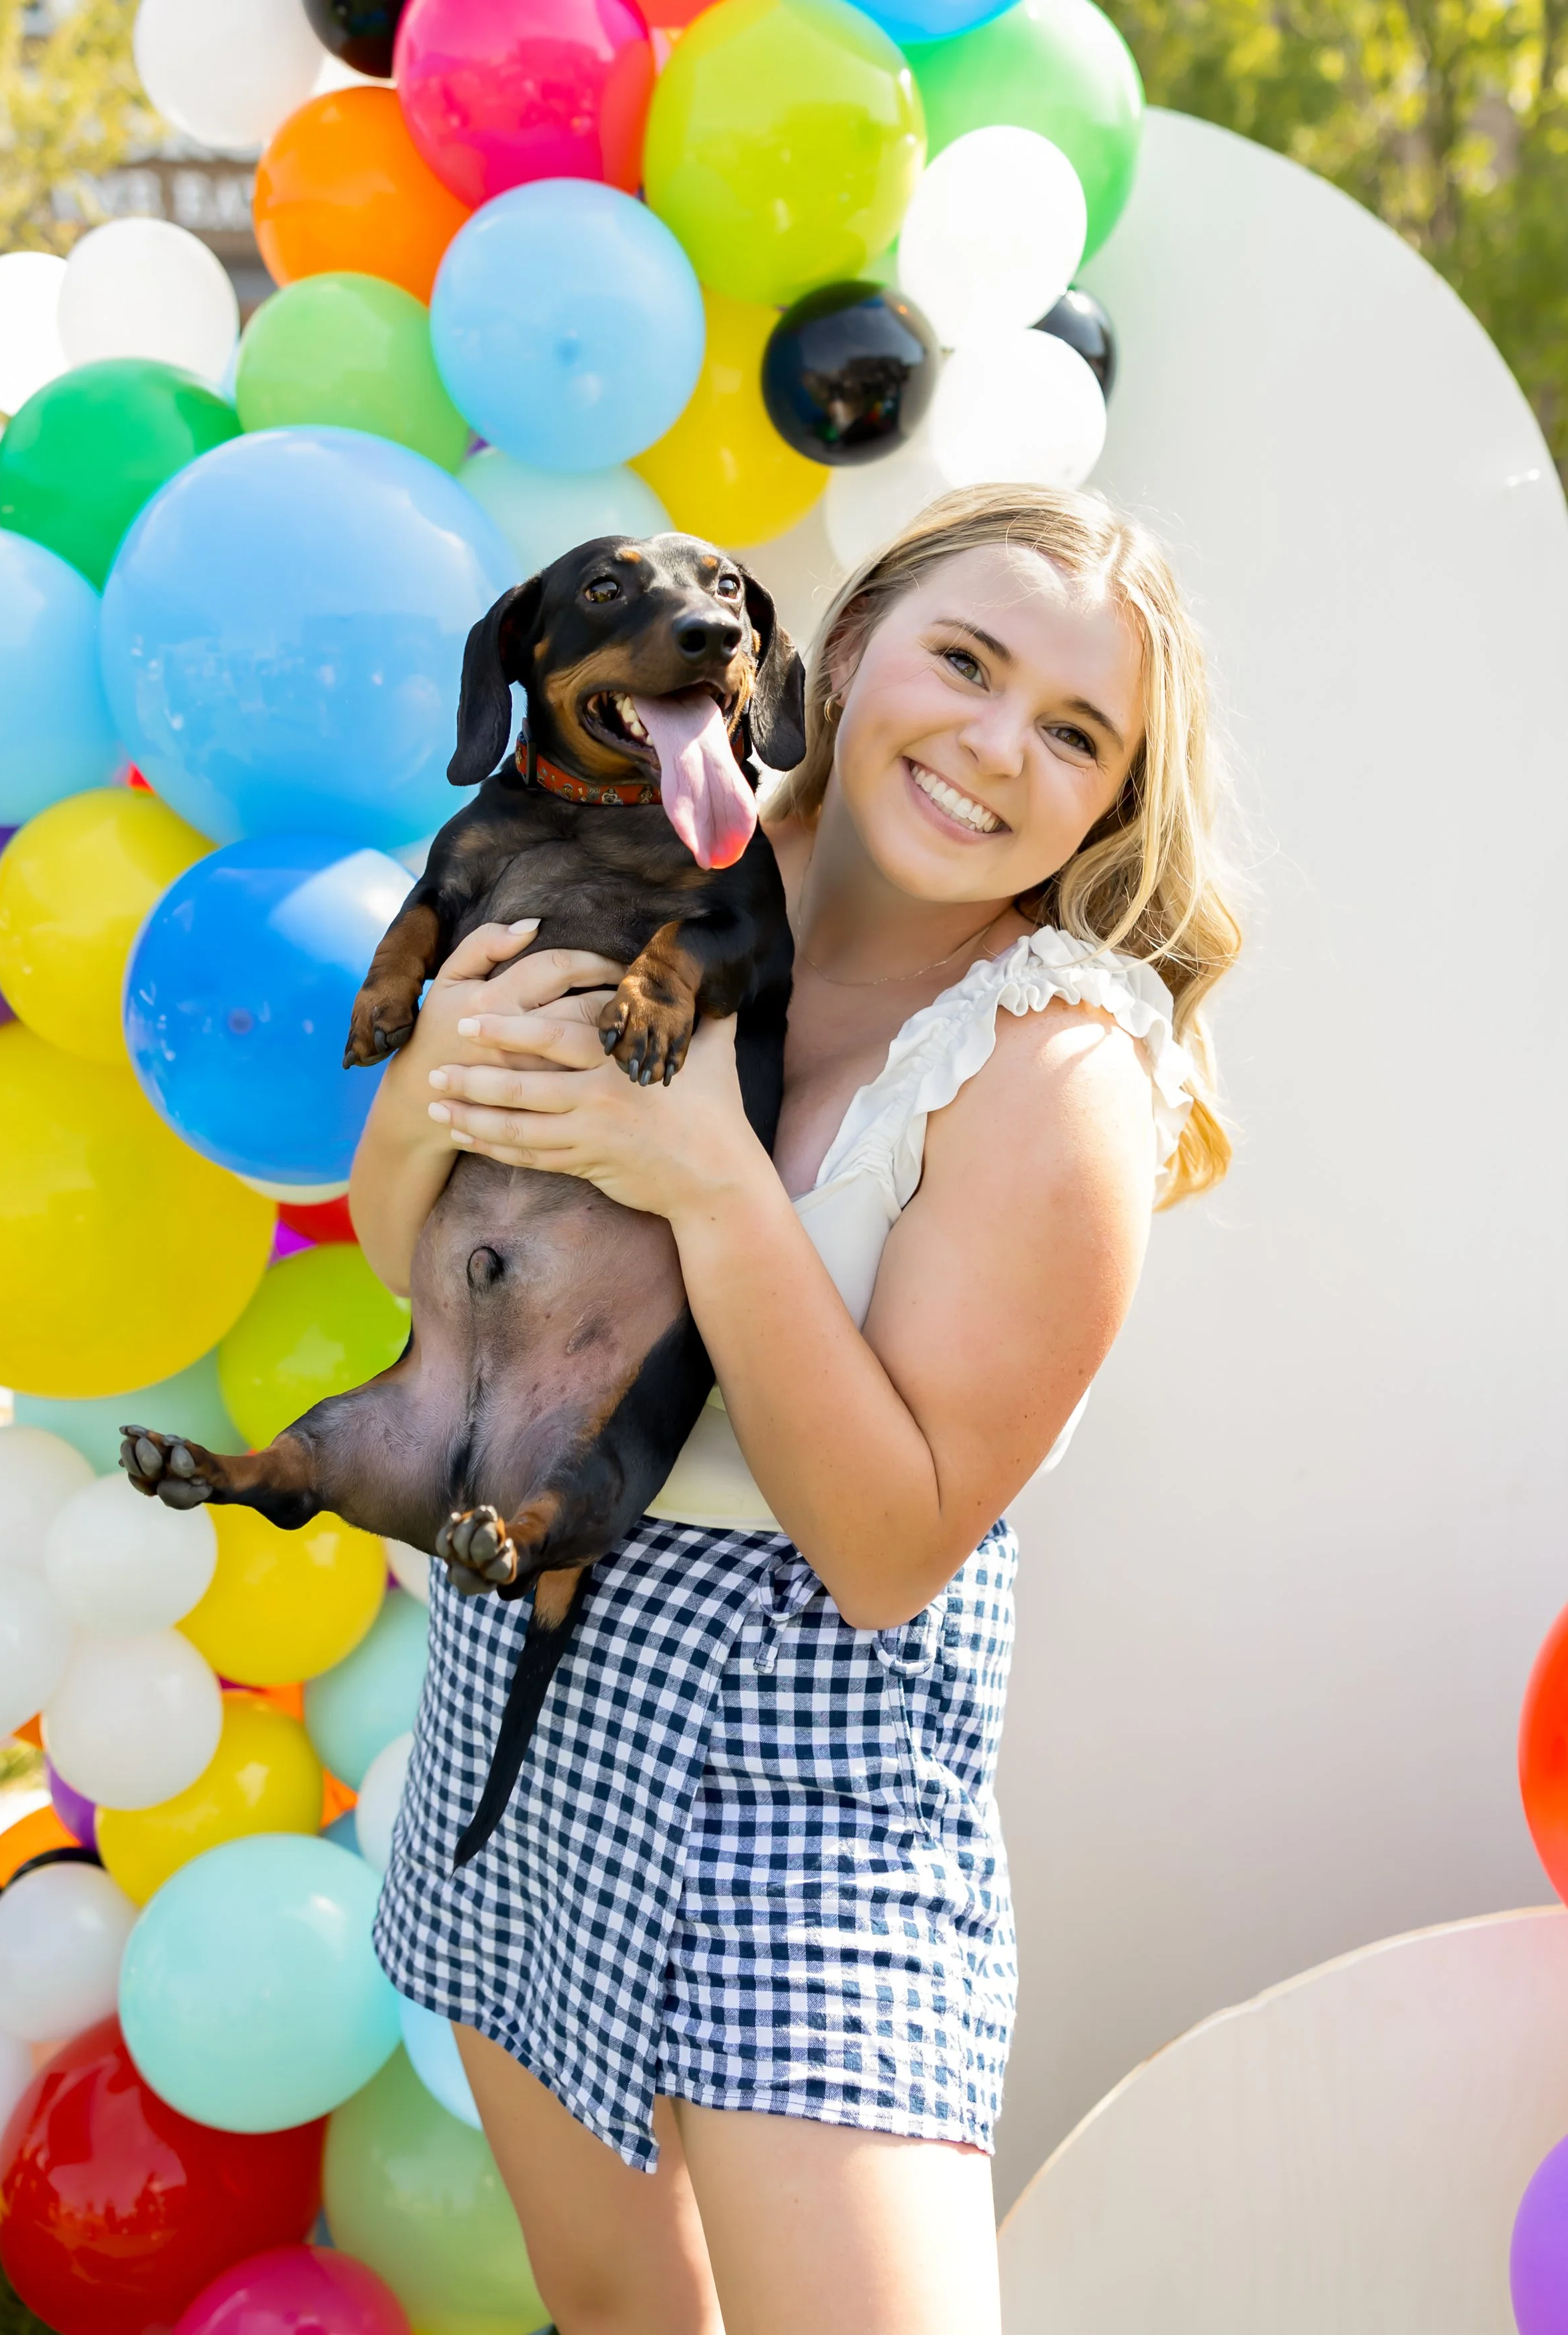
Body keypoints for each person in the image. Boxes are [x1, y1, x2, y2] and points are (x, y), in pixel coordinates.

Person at [351, 484, 1241, 2335]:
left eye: (1075, 731)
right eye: (965, 661)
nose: (998, 746)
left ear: (1111, 797)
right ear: (841, 654)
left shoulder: (1051, 1061)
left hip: (804, 1744)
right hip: (534, 1658)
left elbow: (889, 1544)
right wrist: (437, 1082)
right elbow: (407, 1251)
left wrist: (707, 1178)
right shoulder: (635, 859)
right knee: (612, 2304)